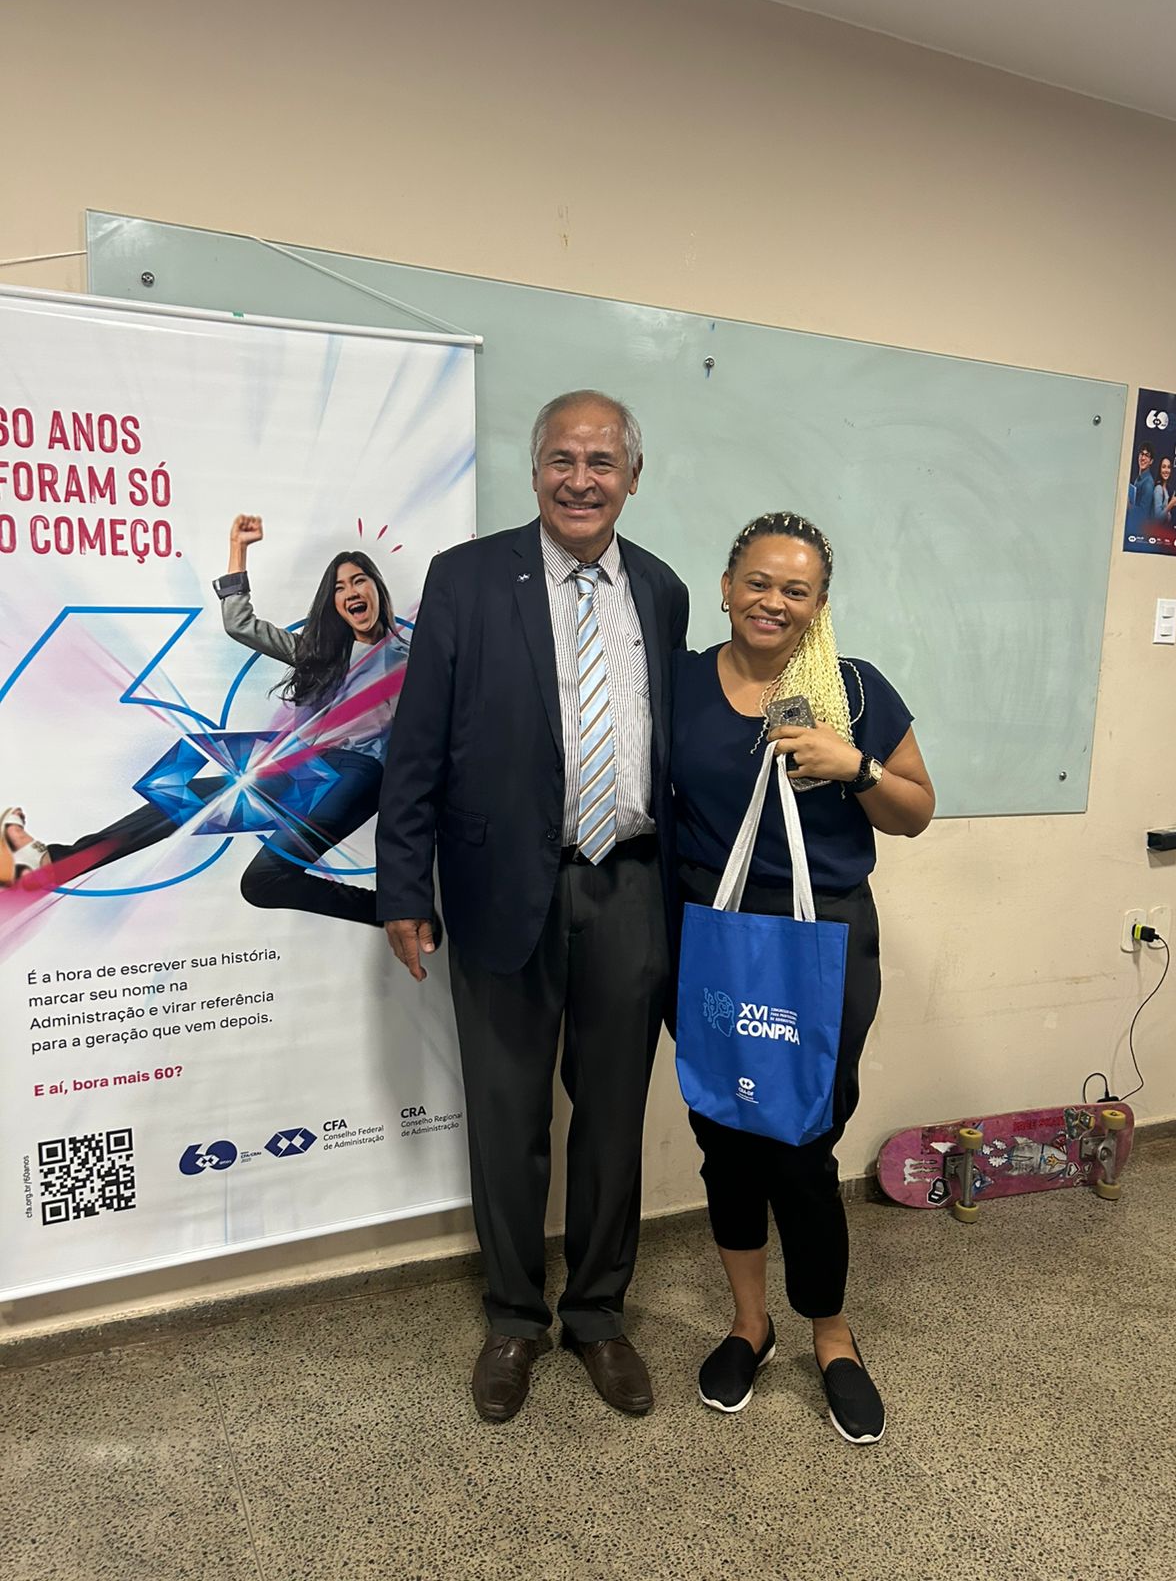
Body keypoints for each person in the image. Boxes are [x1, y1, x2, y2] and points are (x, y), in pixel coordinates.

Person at [377, 390, 688, 1423]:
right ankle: (514, 1317)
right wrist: (402, 886)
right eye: (563, 458)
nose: (580, 480)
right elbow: (416, 744)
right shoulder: (466, 578)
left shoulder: (664, 590)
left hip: (631, 884)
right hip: (501, 884)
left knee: (613, 1117)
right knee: (508, 1116)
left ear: (632, 476)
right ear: (536, 469)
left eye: (602, 462)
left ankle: (598, 1314)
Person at [670, 511, 934, 1444]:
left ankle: (831, 1334)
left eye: (796, 589)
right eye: (757, 581)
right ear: (726, 585)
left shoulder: (852, 690)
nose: (772, 601)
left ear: (819, 604)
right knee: (725, 1135)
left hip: (822, 941)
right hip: (712, 935)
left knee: (802, 1147)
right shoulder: (683, 682)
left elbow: (915, 811)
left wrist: (854, 765)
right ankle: (750, 1325)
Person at [2, 516, 405, 925]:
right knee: (184, 801)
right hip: (309, 769)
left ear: (376, 588)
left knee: (262, 880)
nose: (351, 592)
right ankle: (58, 862)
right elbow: (240, 624)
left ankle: (398, 909)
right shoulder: (319, 654)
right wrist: (238, 549)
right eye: (339, 587)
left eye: (359, 581)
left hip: (361, 772)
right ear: (334, 604)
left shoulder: (409, 659)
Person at [1128, 442, 1156, 523]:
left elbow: (1143, 514)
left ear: (1151, 461)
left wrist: (1128, 506)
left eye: (1147, 455)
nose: (1143, 458)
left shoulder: (1148, 483)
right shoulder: (1139, 478)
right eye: (1141, 454)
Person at [1152, 457, 1176, 522]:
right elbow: (1158, 519)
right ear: (1159, 470)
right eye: (1164, 467)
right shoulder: (1158, 489)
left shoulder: (1166, 489)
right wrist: (1171, 504)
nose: (1166, 470)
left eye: (1169, 467)